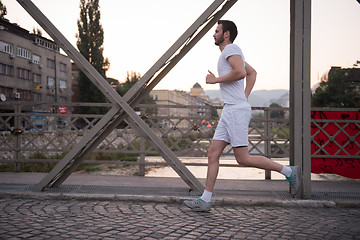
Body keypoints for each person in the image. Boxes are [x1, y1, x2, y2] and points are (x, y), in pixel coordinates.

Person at [184, 20, 302, 212]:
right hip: (231, 109)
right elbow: (252, 73)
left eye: (217, 31)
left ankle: (289, 171)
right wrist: (244, 96)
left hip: (235, 111)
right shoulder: (229, 52)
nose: (213, 34)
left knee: (243, 158)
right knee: (213, 153)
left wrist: (215, 80)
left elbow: (240, 72)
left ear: (226, 34)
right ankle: (206, 199)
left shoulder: (231, 49)